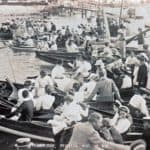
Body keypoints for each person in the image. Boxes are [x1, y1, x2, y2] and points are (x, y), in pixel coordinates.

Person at [65, 112, 131, 150]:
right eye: (100, 122)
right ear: (94, 122)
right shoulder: (92, 131)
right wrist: (127, 148)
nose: (101, 124)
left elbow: (87, 143)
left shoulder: (78, 126)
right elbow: (103, 144)